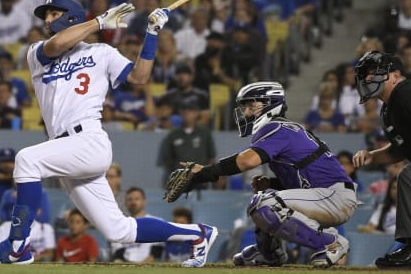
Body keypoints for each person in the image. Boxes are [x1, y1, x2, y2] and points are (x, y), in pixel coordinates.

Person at [0, 0, 217, 268]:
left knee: (26, 160)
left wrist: (151, 33)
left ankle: (17, 247)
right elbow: (58, 44)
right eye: (46, 15)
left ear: (71, 17)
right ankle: (199, 234)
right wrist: (99, 22)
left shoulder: (101, 53)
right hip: (65, 148)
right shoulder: (37, 51)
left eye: (54, 14)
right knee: (119, 231)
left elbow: (140, 77)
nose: (47, 19)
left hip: (88, 140)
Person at [179, 81, 357, 268]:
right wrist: (273, 182)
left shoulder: (277, 127)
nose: (246, 112)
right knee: (264, 198)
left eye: (252, 106)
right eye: (245, 107)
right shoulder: (285, 128)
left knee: (264, 204)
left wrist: (205, 173)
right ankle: (270, 254)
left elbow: (246, 161)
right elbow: (307, 175)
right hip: (329, 194)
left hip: (334, 196)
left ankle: (330, 242)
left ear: (271, 104)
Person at [352, 51, 411, 268]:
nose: (368, 79)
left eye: (373, 73)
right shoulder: (389, 108)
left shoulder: (406, 93)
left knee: (408, 175)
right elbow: (399, 150)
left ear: (395, 74)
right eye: (365, 75)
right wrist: (372, 156)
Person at [111, 187, 164, 263]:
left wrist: (141, 266)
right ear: (125, 203)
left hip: (150, 267)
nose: (133, 202)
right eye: (130, 199)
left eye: (137, 199)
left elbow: (157, 251)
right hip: (126, 267)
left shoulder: (156, 222)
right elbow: (118, 253)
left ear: (144, 201)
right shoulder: (120, 225)